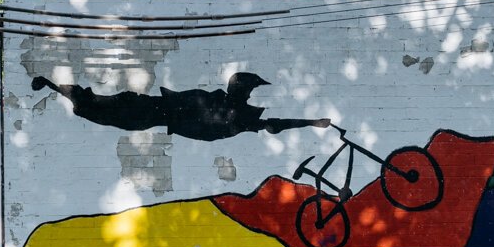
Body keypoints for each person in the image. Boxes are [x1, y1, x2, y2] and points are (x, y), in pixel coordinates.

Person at [32, 71, 331, 142]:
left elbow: (276, 123)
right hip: (152, 109)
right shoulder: (227, 107)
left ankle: (71, 94)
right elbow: (275, 124)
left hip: (152, 114)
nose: (249, 96)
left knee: (109, 112)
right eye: (248, 90)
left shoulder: (241, 118)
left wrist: (311, 122)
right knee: (110, 107)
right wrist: (312, 122)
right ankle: (69, 92)